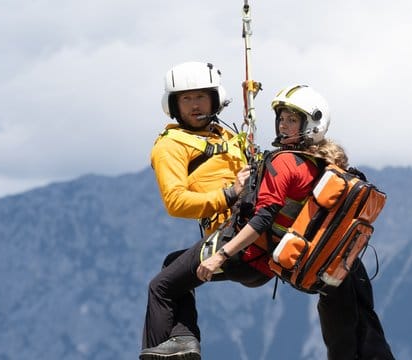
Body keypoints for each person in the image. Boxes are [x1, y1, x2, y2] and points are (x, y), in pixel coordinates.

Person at [140, 85, 394, 360]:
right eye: (281, 118)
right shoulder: (328, 167)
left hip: (245, 254)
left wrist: (221, 254)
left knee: (163, 285)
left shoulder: (283, 162)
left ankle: (178, 344)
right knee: (349, 301)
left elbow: (263, 217)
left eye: (291, 120)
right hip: (283, 261)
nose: (283, 125)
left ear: (309, 125)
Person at [152, 61, 250, 238]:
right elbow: (175, 201)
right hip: (225, 234)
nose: (194, 106)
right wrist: (229, 194)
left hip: (255, 218)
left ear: (214, 100)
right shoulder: (170, 145)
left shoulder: (228, 136)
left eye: (201, 97)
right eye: (186, 99)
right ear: (174, 105)